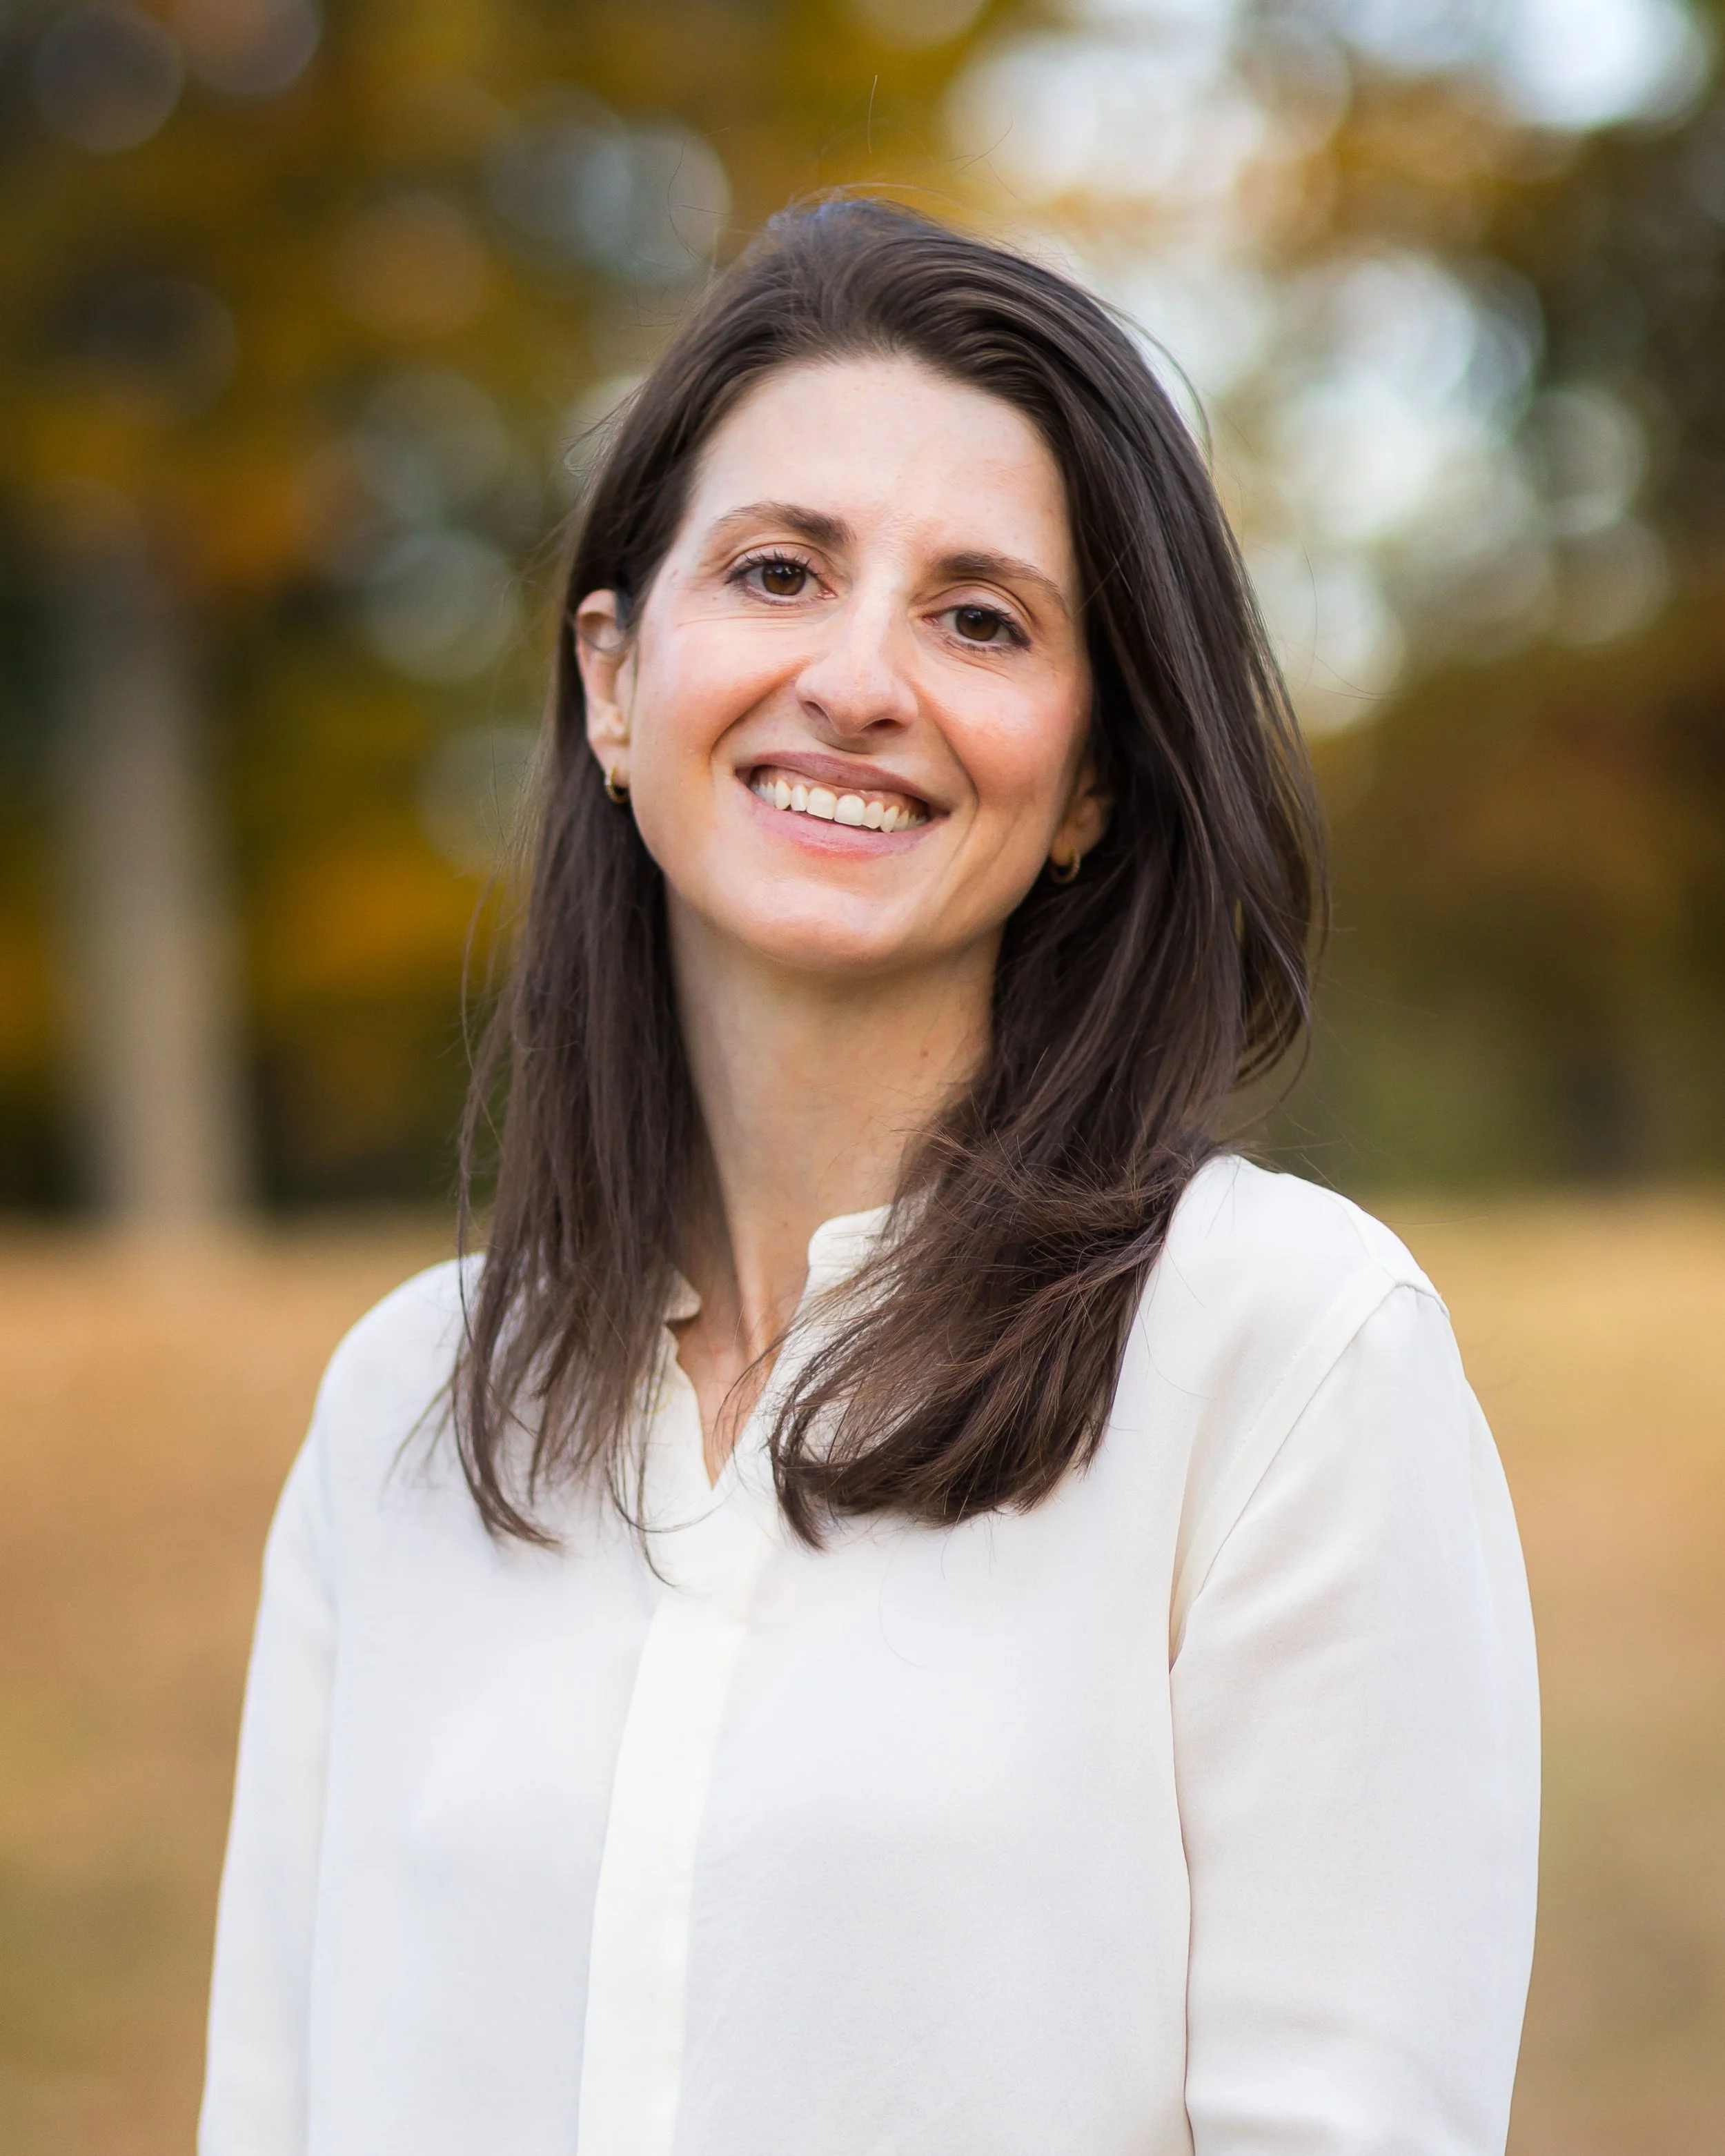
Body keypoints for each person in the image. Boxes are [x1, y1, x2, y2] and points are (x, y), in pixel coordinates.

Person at [199, 199, 1539, 2156]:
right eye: (778, 571)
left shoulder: (1281, 1360)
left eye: (979, 617)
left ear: (1091, 779)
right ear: (610, 679)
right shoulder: (403, 1408)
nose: (856, 678)